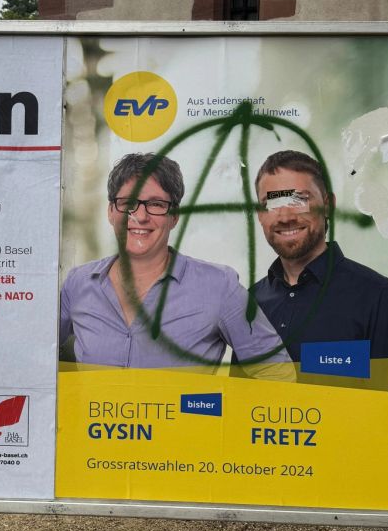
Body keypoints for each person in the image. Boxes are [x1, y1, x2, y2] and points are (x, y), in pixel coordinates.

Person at [60, 152, 291, 371]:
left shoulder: (219, 286)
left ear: (174, 217)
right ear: (111, 211)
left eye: (156, 205)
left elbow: (278, 375)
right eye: (128, 203)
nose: (140, 216)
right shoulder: (77, 284)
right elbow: (34, 355)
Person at [252, 150, 388, 361]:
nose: (285, 217)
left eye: (298, 200)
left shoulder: (382, 297)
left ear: (328, 206)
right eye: (272, 204)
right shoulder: (249, 303)